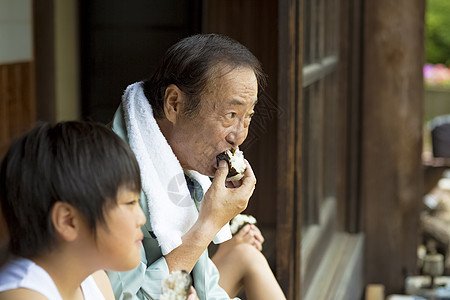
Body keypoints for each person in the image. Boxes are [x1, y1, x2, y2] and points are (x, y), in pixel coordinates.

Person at [108, 33, 286, 299]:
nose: (239, 136)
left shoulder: (187, 162)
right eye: (230, 115)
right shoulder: (111, 178)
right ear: (174, 104)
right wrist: (209, 224)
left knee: (247, 253)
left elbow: (204, 287)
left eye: (248, 116)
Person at [0, 121, 196, 300]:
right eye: (129, 202)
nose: (141, 218)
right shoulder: (21, 295)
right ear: (68, 221)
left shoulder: (94, 280)